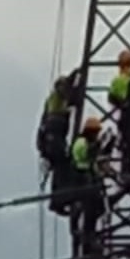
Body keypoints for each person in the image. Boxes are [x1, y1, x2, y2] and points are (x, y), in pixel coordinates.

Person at [38, 70, 80, 211]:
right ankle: (60, 198)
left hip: (52, 139)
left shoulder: (54, 99)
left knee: (62, 166)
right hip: (53, 138)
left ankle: (62, 197)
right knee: (63, 166)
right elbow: (68, 94)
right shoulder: (57, 97)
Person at [70, 115, 110, 256]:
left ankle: (89, 241)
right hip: (83, 180)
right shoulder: (81, 143)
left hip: (87, 179)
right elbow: (86, 157)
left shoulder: (83, 142)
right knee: (90, 213)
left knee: (95, 211)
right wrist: (98, 147)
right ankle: (88, 243)